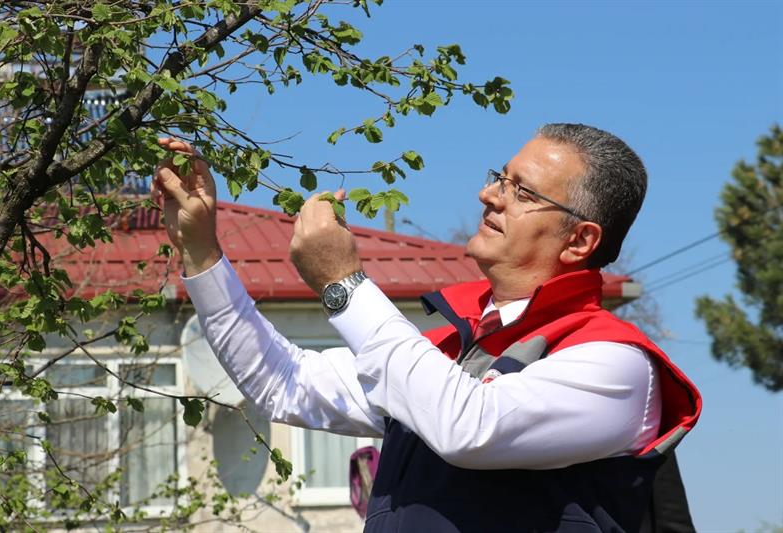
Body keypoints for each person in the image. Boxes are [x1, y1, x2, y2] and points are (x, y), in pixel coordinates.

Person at [153, 123, 702, 532]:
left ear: (580, 240)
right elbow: (283, 383)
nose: (489, 196)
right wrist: (200, 250)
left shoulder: (615, 363)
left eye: (523, 192)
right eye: (500, 178)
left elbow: (469, 428)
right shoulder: (447, 349)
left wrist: (344, 284)